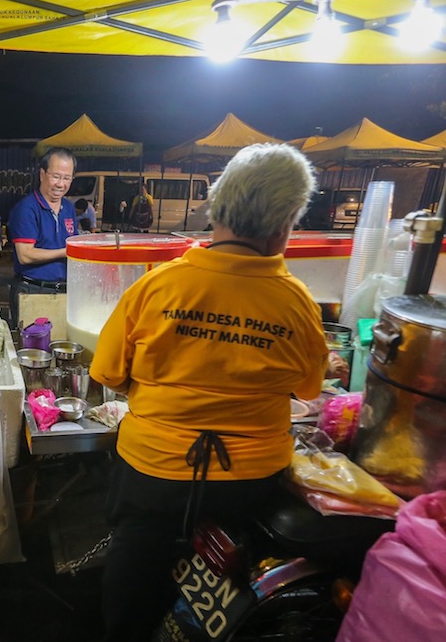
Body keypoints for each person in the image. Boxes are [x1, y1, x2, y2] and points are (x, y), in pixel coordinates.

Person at [90, 144, 330, 642]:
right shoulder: (297, 302)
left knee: (133, 573)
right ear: (284, 225)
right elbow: (308, 389)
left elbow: (108, 372)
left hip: (154, 471)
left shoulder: (160, 285)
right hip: (250, 480)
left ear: (216, 209)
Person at [7, 146, 79, 327]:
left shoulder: (69, 208)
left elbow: (74, 243)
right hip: (33, 291)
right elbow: (25, 255)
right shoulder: (27, 209)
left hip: (63, 291)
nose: (61, 184)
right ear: (42, 174)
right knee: (34, 349)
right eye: (56, 176)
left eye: (66, 178)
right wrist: (66, 252)